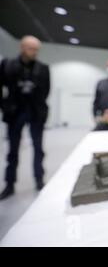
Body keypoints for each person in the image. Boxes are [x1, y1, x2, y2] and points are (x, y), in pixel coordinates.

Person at [0, 36, 50, 200]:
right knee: (13, 150)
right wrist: (5, 106)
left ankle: (39, 179)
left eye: (36, 49)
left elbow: (46, 90)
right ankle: (9, 184)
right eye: (31, 48)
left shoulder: (43, 68)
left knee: (38, 148)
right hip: (15, 112)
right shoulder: (8, 64)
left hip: (35, 112)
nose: (34, 52)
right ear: (22, 47)